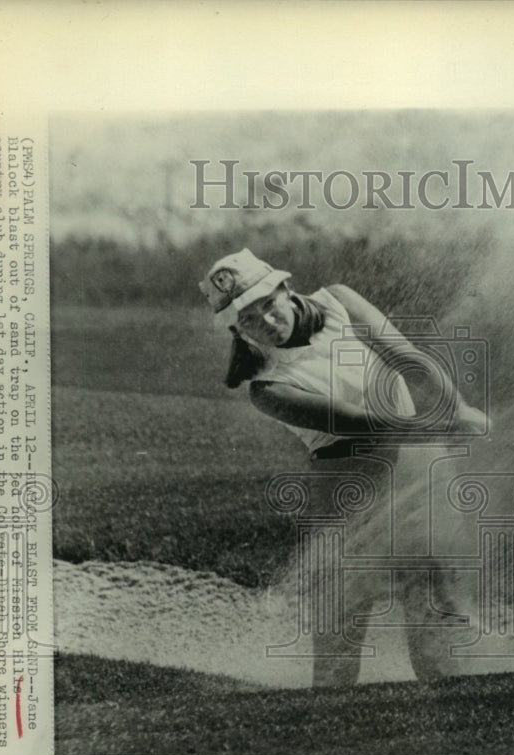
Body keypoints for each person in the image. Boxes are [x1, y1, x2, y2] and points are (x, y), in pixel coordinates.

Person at [199, 247, 488, 686]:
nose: (267, 322)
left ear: (285, 289)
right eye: (249, 320)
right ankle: (330, 720)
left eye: (269, 305)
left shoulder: (340, 301)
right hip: (345, 488)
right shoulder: (267, 389)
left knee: (433, 598)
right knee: (341, 619)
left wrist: (458, 407)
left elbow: (408, 358)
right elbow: (362, 423)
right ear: (237, 329)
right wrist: (445, 426)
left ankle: (450, 706)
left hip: (417, 469)